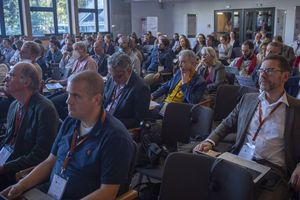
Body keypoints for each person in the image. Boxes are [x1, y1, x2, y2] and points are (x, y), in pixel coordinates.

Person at [1, 70, 134, 200]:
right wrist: (21, 185)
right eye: (68, 94)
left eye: (76, 96)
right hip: (52, 191)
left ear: (97, 99)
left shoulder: (116, 138)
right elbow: (50, 162)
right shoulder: (71, 121)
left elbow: (108, 192)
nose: (68, 101)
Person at [194, 54, 300, 200]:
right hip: (240, 159)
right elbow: (227, 123)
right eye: (261, 70)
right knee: (203, 185)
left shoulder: (296, 108)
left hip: (274, 170)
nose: (262, 75)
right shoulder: (248, 99)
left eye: (269, 70)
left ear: (285, 76)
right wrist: (209, 141)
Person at [0, 62, 59, 191]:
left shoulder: (45, 109)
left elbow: (40, 155)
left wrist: (5, 167)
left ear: (26, 82)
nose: (6, 78)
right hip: (7, 159)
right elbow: (9, 139)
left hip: (22, 172)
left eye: (11, 74)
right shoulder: (14, 105)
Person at [151, 50, 206, 117]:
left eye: (183, 62)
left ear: (192, 63)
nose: (179, 65)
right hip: (166, 104)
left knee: (146, 112)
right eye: (179, 62)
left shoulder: (200, 82)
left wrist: (185, 84)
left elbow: (193, 101)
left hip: (179, 110)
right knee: (144, 106)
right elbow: (167, 85)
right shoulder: (179, 72)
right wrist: (153, 95)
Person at [104, 52, 150, 129]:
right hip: (104, 118)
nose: (114, 80)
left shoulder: (141, 88)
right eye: (111, 74)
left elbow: (138, 121)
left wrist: (111, 121)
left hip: (118, 127)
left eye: (118, 76)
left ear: (129, 70)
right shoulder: (112, 77)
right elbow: (105, 99)